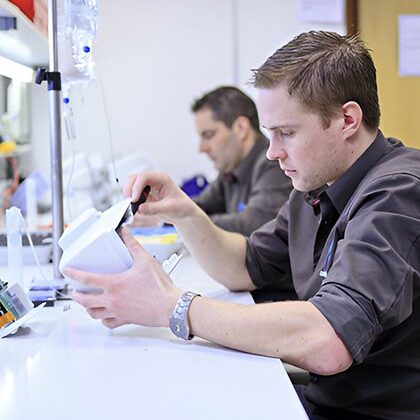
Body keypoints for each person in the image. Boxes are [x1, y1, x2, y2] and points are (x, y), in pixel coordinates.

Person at [67, 31, 420, 420]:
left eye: (286, 132)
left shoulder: (398, 193)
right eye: (271, 134)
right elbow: (243, 265)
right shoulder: (318, 185)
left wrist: (173, 306)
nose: (272, 151)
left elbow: (328, 340)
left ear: (347, 120)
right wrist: (183, 211)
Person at [190, 86, 292, 236]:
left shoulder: (274, 163)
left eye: (209, 135)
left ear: (241, 128)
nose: (202, 148)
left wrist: (187, 219)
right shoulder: (230, 169)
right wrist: (166, 209)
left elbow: (254, 224)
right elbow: (198, 207)